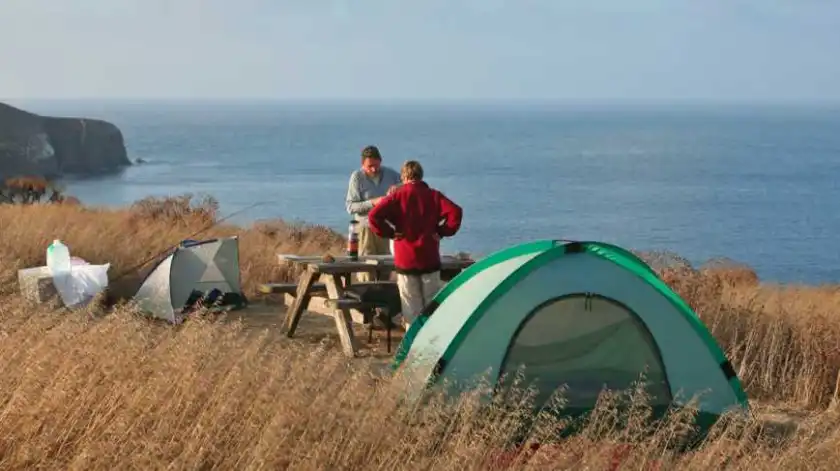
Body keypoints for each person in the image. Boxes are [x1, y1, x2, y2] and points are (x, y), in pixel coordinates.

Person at [367, 160, 463, 330]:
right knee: (432, 301)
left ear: (404, 176)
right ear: (421, 175)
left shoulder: (397, 196)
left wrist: (390, 232)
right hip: (429, 257)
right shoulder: (433, 195)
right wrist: (442, 231)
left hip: (405, 257)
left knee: (410, 303)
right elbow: (456, 212)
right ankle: (432, 336)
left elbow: (374, 216)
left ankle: (413, 338)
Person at [345, 145, 401, 280]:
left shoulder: (391, 174)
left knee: (386, 267)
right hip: (365, 229)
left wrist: (399, 187)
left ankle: (383, 293)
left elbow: (408, 186)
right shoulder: (357, 177)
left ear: (380, 161)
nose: (374, 169)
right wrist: (373, 203)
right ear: (362, 164)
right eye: (369, 166)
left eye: (376, 165)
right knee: (366, 270)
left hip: (385, 228)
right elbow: (350, 207)